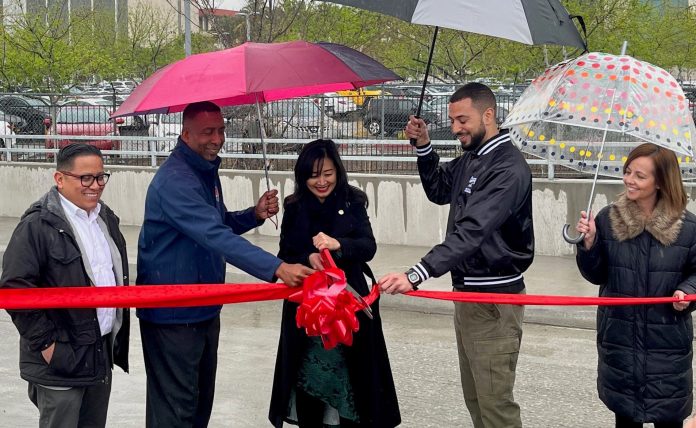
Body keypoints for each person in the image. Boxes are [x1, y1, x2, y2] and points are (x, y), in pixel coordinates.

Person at [136, 101, 313, 427]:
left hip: (203, 307)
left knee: (199, 404)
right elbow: (214, 235)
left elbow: (215, 224)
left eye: (221, 130)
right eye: (208, 132)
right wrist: (277, 268)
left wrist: (254, 214)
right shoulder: (176, 180)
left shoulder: (203, 170)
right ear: (185, 134)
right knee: (176, 411)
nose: (217, 138)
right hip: (173, 315)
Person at [379, 82, 534, 428]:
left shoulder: (507, 168)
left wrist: (417, 273)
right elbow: (438, 188)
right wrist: (423, 146)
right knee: (477, 399)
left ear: (488, 115)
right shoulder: (473, 159)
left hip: (494, 301)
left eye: (462, 120)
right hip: (467, 294)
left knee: (496, 407)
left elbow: (473, 231)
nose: (455, 128)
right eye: (452, 121)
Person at [269, 139, 401, 428]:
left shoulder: (354, 200)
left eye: (327, 173)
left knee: (354, 380)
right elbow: (286, 253)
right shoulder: (294, 207)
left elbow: (368, 246)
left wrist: (337, 244)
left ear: (338, 172)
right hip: (308, 310)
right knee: (309, 382)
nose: (321, 181)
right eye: (313, 175)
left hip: (349, 307)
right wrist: (309, 258)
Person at [0, 143, 129, 428]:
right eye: (85, 178)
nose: (95, 185)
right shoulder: (37, 225)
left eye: (100, 177)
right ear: (59, 179)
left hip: (98, 354)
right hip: (60, 361)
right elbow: (13, 288)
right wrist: (48, 345)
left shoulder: (105, 219)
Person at [575, 143, 695, 428]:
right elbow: (596, 275)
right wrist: (589, 245)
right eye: (627, 171)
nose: (629, 180)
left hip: (667, 347)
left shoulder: (688, 227)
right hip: (620, 343)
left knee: (670, 419)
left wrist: (687, 293)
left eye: (640, 176)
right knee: (625, 419)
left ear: (661, 181)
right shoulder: (607, 219)